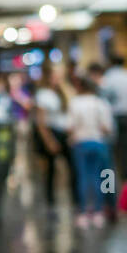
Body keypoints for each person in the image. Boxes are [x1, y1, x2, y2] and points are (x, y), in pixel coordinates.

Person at [67, 75, 115, 228]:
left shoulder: (75, 103)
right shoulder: (101, 103)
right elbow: (108, 128)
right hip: (99, 143)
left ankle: (83, 212)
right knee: (101, 177)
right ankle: (98, 211)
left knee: (83, 177)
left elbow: (70, 126)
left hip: (81, 143)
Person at [32, 65, 76, 209]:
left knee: (72, 166)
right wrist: (49, 140)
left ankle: (75, 197)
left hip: (64, 132)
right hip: (52, 132)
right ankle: (50, 199)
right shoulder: (43, 95)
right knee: (50, 169)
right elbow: (41, 121)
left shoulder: (63, 92)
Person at [100, 54, 127, 181]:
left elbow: (103, 98)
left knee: (112, 152)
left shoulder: (108, 77)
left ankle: (111, 183)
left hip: (113, 117)